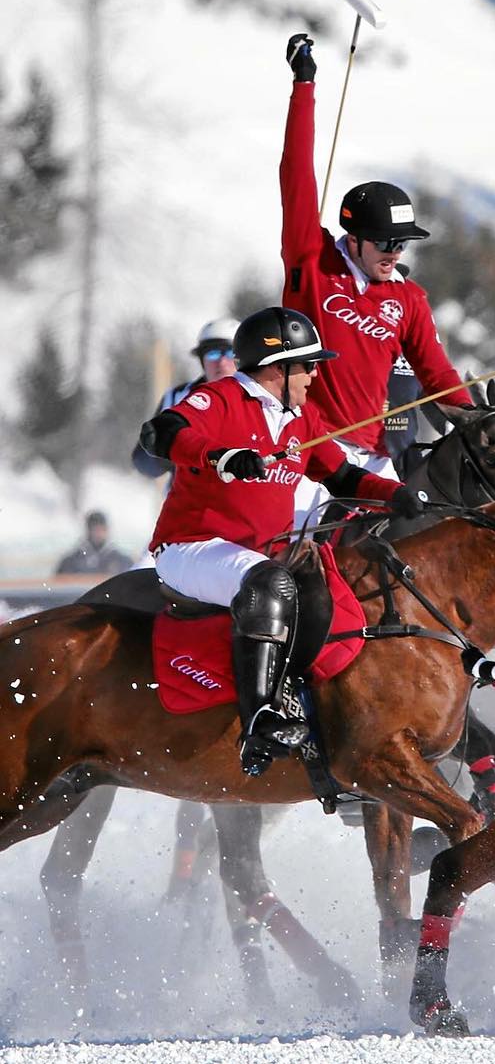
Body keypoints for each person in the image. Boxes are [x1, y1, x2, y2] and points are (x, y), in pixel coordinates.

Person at [139, 306, 422, 777]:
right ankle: (260, 722)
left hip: (255, 553)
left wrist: (396, 494)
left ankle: (310, 708)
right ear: (277, 367)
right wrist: (220, 455)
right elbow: (160, 433)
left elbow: (342, 475)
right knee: (271, 583)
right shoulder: (221, 397)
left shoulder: (301, 419)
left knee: (319, 586)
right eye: (308, 365)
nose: (315, 375)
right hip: (191, 547)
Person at [279, 32, 474, 491]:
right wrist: (303, 87)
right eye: (386, 242)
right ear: (354, 238)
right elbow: (296, 173)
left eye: (402, 243)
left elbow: (436, 373)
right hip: (306, 449)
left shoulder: (409, 299)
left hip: (373, 459)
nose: (395, 253)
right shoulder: (312, 259)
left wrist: (473, 417)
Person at [132, 318, 240, 479]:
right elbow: (143, 463)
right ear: (201, 359)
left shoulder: (263, 399)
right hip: (187, 493)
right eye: (213, 353)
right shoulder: (177, 398)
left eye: (231, 353)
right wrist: (170, 447)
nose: (222, 362)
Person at [55, 511, 133, 577]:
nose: (99, 534)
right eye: (95, 529)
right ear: (88, 531)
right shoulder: (71, 562)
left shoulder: (122, 560)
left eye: (102, 529)